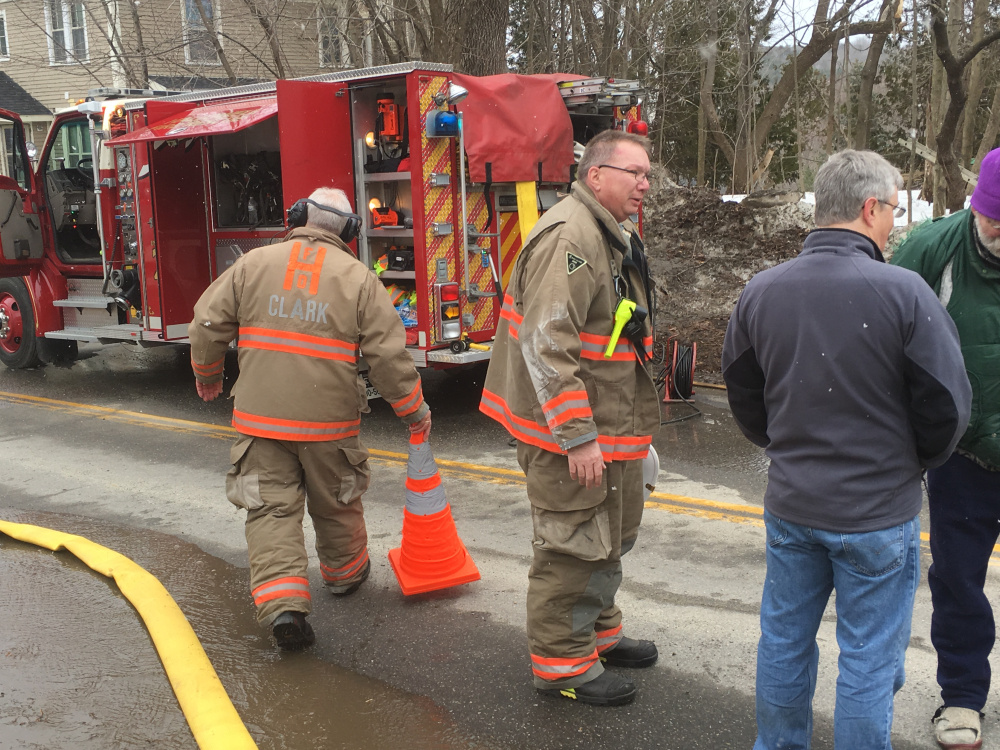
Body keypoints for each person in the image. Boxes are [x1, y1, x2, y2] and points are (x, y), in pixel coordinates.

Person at [722, 149, 972, 749]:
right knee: (866, 659)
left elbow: (743, 393)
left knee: (783, 640)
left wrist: (786, 446)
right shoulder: (904, 293)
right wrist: (912, 463)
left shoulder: (762, 290)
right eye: (891, 209)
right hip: (876, 515)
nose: (893, 225)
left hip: (792, 505)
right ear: (868, 208)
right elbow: (947, 406)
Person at [189, 187, 431, 651]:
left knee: (271, 509)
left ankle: (283, 605)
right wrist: (413, 412)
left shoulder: (252, 264)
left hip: (260, 421)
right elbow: (388, 356)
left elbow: (206, 321)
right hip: (329, 424)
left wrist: (207, 373)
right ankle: (344, 576)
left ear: (299, 216)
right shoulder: (360, 280)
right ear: (349, 232)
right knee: (337, 501)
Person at [479, 130, 661, 706]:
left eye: (647, 175)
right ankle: (562, 665)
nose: (644, 185)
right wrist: (578, 437)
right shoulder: (570, 238)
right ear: (595, 175)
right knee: (573, 544)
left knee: (609, 534)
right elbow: (547, 344)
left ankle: (598, 634)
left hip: (610, 426)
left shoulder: (609, 233)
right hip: (571, 436)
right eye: (633, 173)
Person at [890, 147, 1000, 750]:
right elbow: (887, 343)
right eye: (995, 222)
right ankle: (961, 696)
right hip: (964, 457)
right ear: (976, 208)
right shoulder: (931, 249)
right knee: (958, 579)